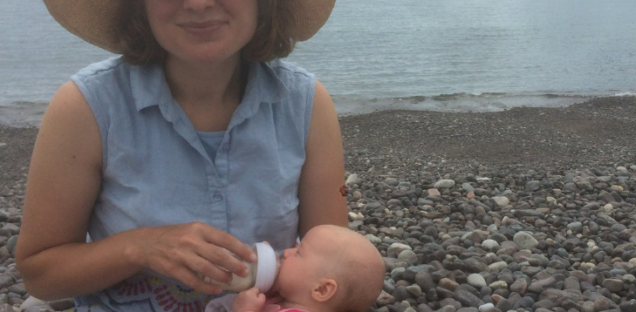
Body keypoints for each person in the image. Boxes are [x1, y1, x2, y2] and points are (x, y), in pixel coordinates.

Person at [15, 0, 349, 311]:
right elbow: (40, 274)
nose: (198, 4)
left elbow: (338, 268)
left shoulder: (305, 105)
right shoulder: (87, 107)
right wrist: (140, 247)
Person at [204, 225, 385, 312]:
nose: (288, 252)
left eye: (298, 252)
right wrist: (259, 267)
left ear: (321, 289)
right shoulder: (283, 298)